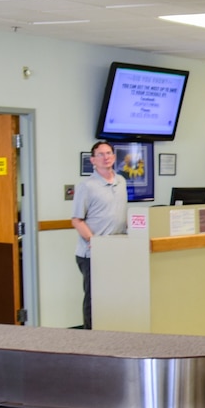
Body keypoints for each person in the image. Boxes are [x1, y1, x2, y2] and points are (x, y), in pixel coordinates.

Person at [71, 139, 128, 330]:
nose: (106, 158)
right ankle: (91, 336)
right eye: (101, 154)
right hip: (92, 253)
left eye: (109, 153)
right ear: (93, 160)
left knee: (114, 296)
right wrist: (93, 241)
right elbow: (77, 220)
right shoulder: (87, 186)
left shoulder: (121, 182)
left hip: (117, 250)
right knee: (94, 297)